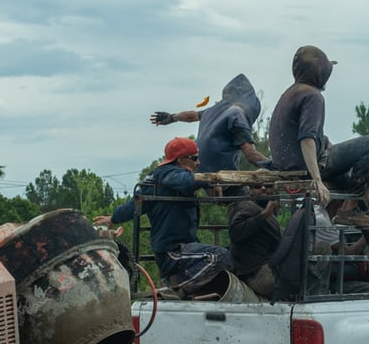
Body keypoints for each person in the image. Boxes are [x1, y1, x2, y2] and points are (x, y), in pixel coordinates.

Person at [94, 137, 232, 295]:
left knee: (226, 255)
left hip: (180, 248)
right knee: (219, 256)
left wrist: (113, 218)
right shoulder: (169, 174)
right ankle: (178, 287)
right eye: (194, 158)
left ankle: (189, 287)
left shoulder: (157, 181)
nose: (198, 163)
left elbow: (133, 205)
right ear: (181, 160)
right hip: (172, 251)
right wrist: (210, 181)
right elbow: (186, 182)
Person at [268, 45, 369, 224]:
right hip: (306, 166)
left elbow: (310, 135)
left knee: (348, 180)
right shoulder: (313, 96)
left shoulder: (290, 93)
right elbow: (307, 139)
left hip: (287, 165)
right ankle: (356, 208)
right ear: (319, 73)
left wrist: (328, 146)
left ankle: (364, 232)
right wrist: (317, 180)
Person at [150, 73, 272, 176]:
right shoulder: (238, 116)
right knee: (246, 198)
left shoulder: (214, 110)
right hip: (220, 172)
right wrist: (278, 167)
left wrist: (172, 117)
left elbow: (192, 115)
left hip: (198, 167)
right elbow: (251, 155)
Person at [226, 183, 282, 297]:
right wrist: (264, 215)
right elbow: (236, 233)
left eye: (268, 186)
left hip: (263, 267)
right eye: (257, 186)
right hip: (254, 272)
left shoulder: (264, 209)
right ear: (250, 191)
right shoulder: (246, 206)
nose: (263, 189)